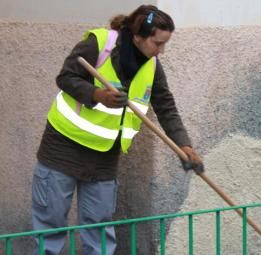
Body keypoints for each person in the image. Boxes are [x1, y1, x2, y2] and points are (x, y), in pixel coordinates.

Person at [32, 5, 203, 254]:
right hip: (63, 149)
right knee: (50, 228)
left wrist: (184, 146)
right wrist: (97, 94)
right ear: (137, 37)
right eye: (157, 43)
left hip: (104, 158)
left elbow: (166, 108)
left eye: (164, 44)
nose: (161, 51)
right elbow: (66, 77)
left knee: (99, 231)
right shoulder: (98, 44)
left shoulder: (152, 66)